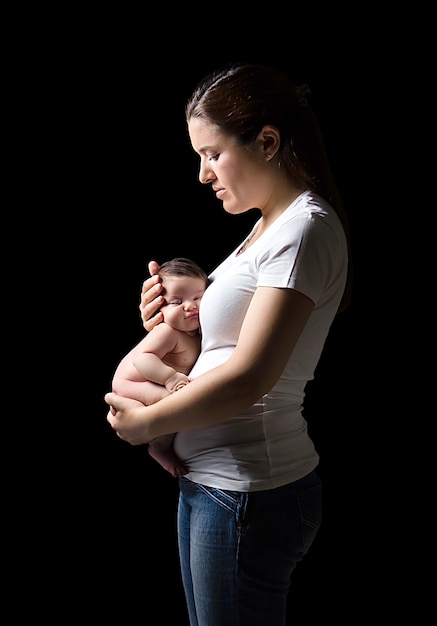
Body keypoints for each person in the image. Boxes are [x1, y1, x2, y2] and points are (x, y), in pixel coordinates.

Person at [105, 62, 353, 626]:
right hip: (215, 483)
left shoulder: (303, 229)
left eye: (212, 154)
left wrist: (148, 423)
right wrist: (172, 317)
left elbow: (249, 377)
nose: (202, 174)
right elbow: (218, 348)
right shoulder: (268, 227)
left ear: (267, 142)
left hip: (248, 489)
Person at [111, 257, 208, 477]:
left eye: (198, 297)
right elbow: (143, 358)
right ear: (158, 307)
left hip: (144, 383)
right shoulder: (167, 331)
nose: (190, 305)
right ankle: (159, 447)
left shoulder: (193, 332)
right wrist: (170, 378)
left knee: (174, 406)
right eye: (176, 301)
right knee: (172, 406)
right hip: (132, 383)